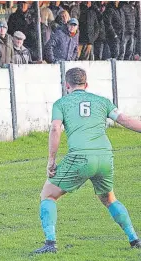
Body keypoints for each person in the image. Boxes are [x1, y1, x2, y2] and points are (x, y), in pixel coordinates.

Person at [34, 67, 141, 254]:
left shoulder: (61, 103)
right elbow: (124, 120)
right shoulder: (102, 101)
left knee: (48, 194)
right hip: (105, 156)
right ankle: (134, 239)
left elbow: (55, 128)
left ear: (67, 85)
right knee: (109, 198)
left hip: (81, 156)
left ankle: (50, 244)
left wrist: (51, 160)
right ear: (86, 84)